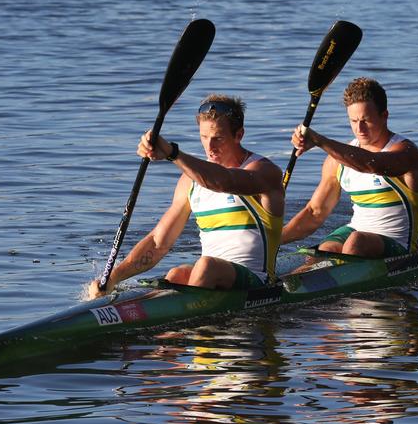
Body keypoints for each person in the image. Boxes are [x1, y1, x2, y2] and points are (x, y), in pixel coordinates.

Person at [88, 94, 284, 298]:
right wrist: (113, 277)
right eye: (204, 137)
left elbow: (223, 182)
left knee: (206, 265)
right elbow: (158, 243)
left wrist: (172, 153)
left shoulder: (264, 172)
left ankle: (189, 322)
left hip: (258, 282)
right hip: (213, 276)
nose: (209, 148)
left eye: (218, 138)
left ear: (239, 135)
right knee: (176, 274)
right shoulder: (188, 182)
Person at [281, 77, 418, 258]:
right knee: (325, 250)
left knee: (356, 242)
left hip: (397, 241)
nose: (360, 129)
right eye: (354, 121)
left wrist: (320, 141)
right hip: (355, 232)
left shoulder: (407, 152)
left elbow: (371, 164)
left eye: (366, 120)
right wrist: (274, 239)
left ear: (384, 116)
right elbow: (315, 212)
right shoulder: (336, 161)